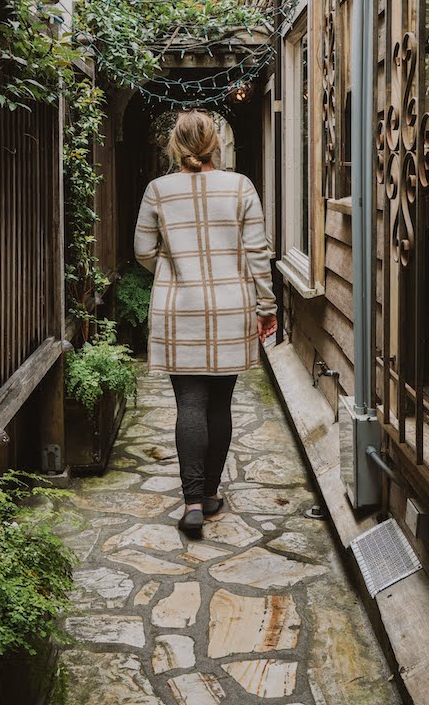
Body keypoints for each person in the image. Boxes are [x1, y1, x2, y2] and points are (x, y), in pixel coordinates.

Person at [134, 109, 277, 537]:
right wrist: (266, 306)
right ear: (215, 144)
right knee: (219, 405)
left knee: (189, 404)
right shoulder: (240, 187)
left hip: (179, 309)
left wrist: (172, 266)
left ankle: (192, 502)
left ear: (175, 146)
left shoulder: (158, 190)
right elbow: (257, 253)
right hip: (231, 308)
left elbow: (143, 249)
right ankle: (210, 493)